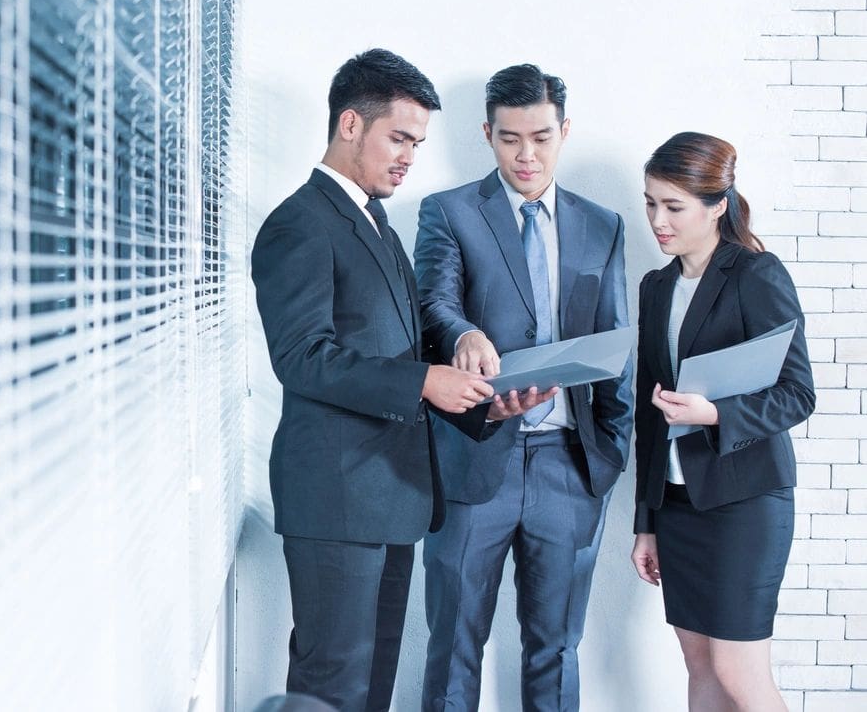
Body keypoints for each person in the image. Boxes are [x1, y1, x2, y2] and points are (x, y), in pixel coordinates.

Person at [251, 48, 500, 712]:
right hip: (335, 499)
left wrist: (483, 403)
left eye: (417, 144)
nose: (409, 157)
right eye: (399, 138)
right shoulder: (299, 224)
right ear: (351, 125)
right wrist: (424, 381)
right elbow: (302, 356)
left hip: (387, 497)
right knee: (331, 687)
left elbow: (404, 343)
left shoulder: (377, 224)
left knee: (372, 692)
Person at [414, 63, 633, 712]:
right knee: (454, 645)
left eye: (540, 136)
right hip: (475, 459)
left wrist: (607, 458)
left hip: (570, 467)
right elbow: (432, 300)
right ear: (487, 133)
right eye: (510, 138)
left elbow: (616, 345)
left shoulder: (602, 225)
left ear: (564, 130)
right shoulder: (449, 211)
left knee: (555, 649)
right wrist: (462, 335)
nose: (527, 154)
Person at [630, 132, 815, 711]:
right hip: (679, 508)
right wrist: (647, 521)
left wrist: (715, 414)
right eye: (650, 203)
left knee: (739, 670)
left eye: (673, 206)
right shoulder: (656, 287)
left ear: (716, 205)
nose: (658, 220)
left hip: (746, 503)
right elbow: (646, 411)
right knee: (700, 666)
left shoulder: (756, 274)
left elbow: (798, 393)